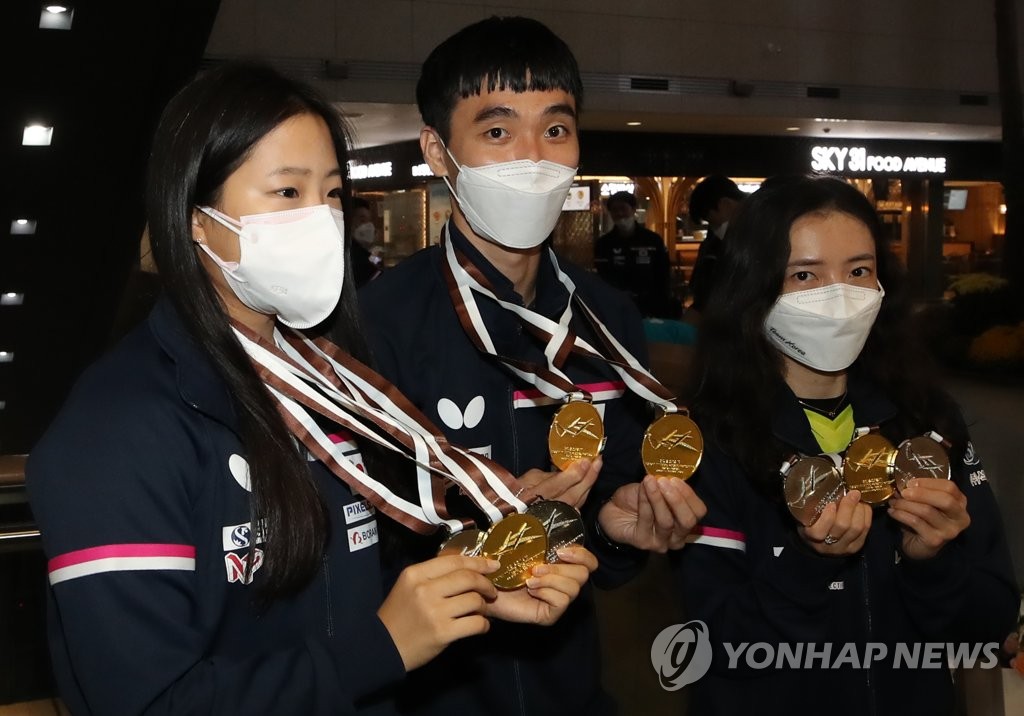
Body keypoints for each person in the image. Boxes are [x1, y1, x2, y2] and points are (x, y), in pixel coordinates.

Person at [26, 61, 595, 715]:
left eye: (331, 194)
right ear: (194, 219)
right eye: (287, 193)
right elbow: (146, 702)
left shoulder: (329, 384)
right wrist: (384, 645)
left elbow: (341, 596)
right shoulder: (117, 429)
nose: (322, 220)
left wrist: (481, 579)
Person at [355, 16, 707, 716]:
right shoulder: (375, 325)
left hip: (571, 690)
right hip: (425, 698)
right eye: (496, 130)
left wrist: (615, 528)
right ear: (437, 149)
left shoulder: (608, 317)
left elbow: (605, 547)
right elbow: (354, 552)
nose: (534, 156)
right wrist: (490, 531)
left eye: (555, 128)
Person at [675, 175, 1018, 715]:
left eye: (859, 270)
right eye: (805, 274)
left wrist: (933, 561)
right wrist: (809, 566)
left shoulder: (926, 422)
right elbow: (707, 649)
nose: (840, 295)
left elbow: (991, 622)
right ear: (755, 287)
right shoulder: (706, 441)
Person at [593, 190, 677, 318]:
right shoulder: (604, 244)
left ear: (633, 209)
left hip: (651, 307)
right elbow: (602, 277)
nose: (619, 213)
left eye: (623, 208)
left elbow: (663, 273)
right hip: (616, 306)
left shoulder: (652, 240)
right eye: (615, 210)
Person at [686, 174, 746, 313]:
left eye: (710, 220)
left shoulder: (765, 232)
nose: (713, 227)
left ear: (725, 205)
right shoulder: (714, 243)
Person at [350, 195, 383, 287]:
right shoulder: (352, 258)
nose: (369, 226)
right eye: (362, 219)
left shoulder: (364, 254)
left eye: (369, 220)